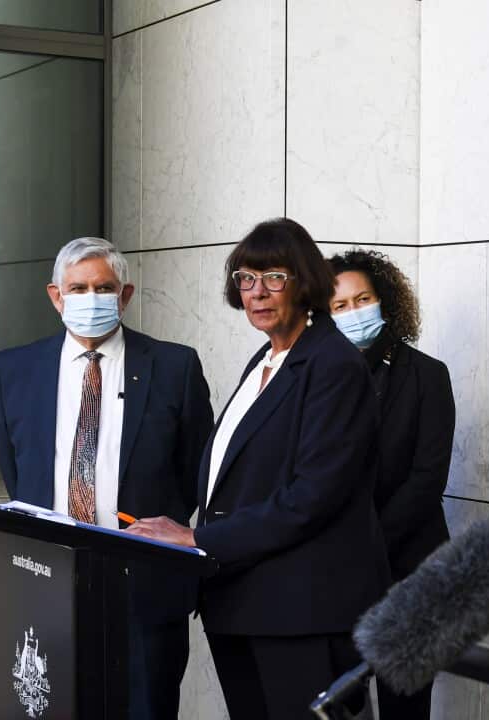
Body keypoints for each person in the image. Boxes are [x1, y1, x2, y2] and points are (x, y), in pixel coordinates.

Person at [126, 218, 389, 719]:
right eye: (246, 278)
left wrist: (196, 537)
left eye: (274, 277)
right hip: (244, 601)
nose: (257, 292)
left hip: (302, 610)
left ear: (305, 283)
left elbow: (312, 497)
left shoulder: (333, 363)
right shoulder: (266, 359)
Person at [0, 236, 214, 720]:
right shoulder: (13, 369)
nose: (91, 298)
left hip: (144, 585)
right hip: (46, 580)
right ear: (56, 296)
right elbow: (18, 470)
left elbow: (196, 469)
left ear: (124, 295)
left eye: (104, 287)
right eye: (78, 288)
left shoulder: (174, 366)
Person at [328, 248, 455, 719]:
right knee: (340, 702)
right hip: (333, 573)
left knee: (407, 706)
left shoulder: (427, 375)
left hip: (409, 567)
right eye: (340, 305)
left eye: (363, 299)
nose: (353, 312)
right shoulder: (316, 376)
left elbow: (428, 478)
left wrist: (367, 542)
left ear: (384, 300)